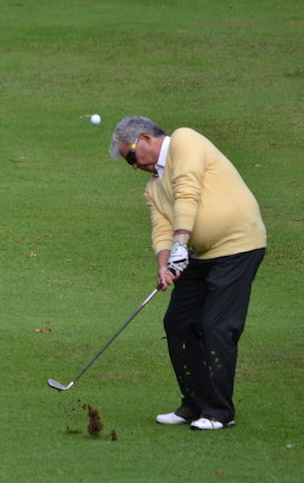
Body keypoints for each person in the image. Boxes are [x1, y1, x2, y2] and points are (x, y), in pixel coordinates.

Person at [109, 116, 266, 431]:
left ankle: (220, 412)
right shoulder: (154, 188)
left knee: (217, 326)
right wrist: (164, 263)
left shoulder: (185, 140)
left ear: (145, 138)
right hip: (198, 255)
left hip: (238, 248)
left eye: (131, 156)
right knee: (178, 321)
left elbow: (188, 190)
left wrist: (181, 241)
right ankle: (195, 404)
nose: (133, 166)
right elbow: (161, 228)